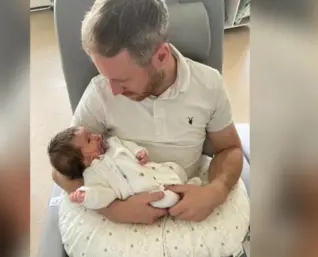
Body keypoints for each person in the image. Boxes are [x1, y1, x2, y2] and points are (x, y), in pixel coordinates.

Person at [52, 0, 243, 225]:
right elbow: (61, 171)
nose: (113, 89)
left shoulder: (209, 85)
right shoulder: (100, 93)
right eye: (106, 77)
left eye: (122, 80)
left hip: (186, 200)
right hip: (123, 207)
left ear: (161, 56)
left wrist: (215, 191)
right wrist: (114, 210)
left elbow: (229, 148)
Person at [48, 126, 202, 209]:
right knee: (166, 199)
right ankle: (189, 188)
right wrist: (87, 196)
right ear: (83, 159)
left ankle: (186, 184)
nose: (96, 135)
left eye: (91, 134)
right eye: (89, 139)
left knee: (175, 168)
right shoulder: (92, 176)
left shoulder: (112, 144)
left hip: (153, 170)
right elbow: (104, 195)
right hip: (147, 191)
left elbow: (128, 145)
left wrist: (139, 151)